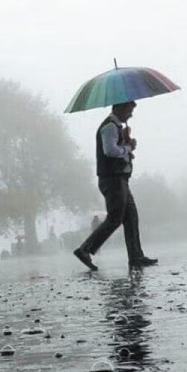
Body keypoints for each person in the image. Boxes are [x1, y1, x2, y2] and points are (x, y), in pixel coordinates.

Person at [73, 101, 158, 270]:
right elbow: (110, 151)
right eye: (129, 110)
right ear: (119, 108)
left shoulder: (117, 127)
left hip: (120, 179)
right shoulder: (109, 127)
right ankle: (85, 249)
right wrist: (127, 147)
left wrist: (126, 142)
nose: (131, 114)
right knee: (115, 218)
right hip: (112, 179)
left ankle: (136, 256)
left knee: (131, 217)